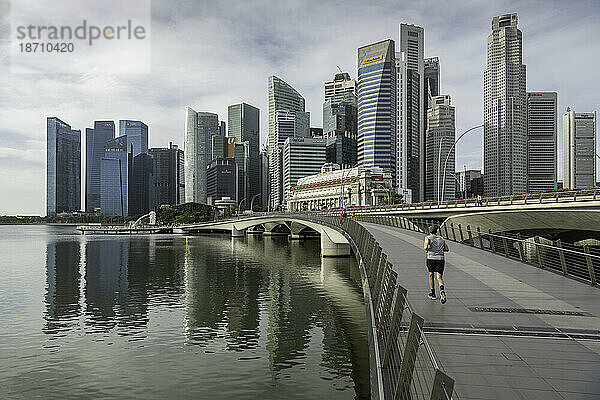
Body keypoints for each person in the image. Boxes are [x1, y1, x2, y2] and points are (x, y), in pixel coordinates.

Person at [423, 225, 449, 304]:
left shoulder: (428, 238)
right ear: (436, 231)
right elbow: (447, 249)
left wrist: (429, 248)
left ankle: (433, 293)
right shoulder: (441, 238)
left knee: (431, 275)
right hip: (441, 259)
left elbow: (425, 247)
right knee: (439, 277)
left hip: (431, 258)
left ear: (429, 231)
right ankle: (442, 290)